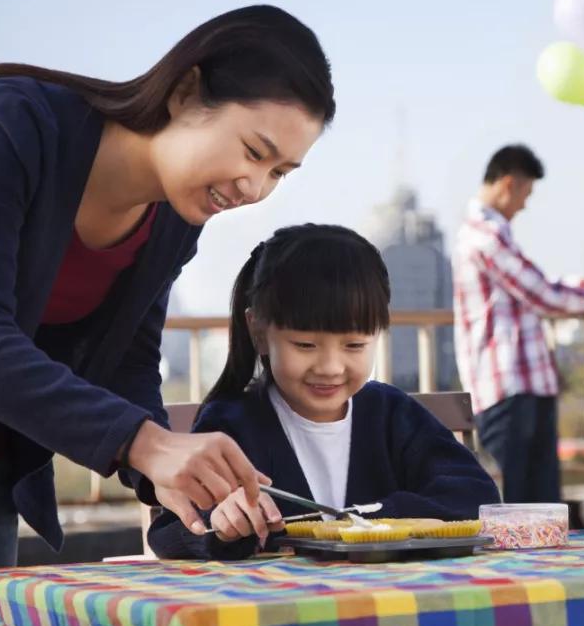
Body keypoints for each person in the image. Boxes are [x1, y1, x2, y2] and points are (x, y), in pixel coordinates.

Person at [0, 5, 335, 588]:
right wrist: (143, 443)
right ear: (186, 92)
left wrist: (166, 475)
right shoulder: (5, 125)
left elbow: (127, 365)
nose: (254, 188)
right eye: (254, 153)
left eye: (279, 173)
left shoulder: (174, 217)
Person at [149, 224, 500, 560]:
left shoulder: (392, 413)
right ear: (257, 331)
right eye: (305, 345)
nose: (331, 367)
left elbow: (475, 495)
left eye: (354, 345)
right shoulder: (231, 423)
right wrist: (220, 524)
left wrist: (383, 519)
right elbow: (170, 532)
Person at [452, 144, 584, 504]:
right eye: (526, 193)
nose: (525, 204)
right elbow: (539, 292)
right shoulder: (483, 236)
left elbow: (535, 286)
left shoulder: (489, 235)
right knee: (518, 503)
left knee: (541, 503)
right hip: (507, 387)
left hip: (524, 384)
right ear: (509, 184)